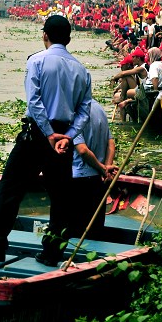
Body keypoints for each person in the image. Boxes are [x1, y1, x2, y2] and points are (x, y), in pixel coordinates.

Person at [0, 15, 92, 267]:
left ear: (44, 35)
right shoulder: (81, 70)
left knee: (10, 190)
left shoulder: (36, 61)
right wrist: (67, 137)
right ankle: (52, 253)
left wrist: (48, 134)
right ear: (69, 39)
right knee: (60, 197)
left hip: (38, 134)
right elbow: (84, 111)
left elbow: (34, 102)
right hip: (63, 139)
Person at [64, 100, 117, 260]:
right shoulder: (98, 108)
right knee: (95, 229)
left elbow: (82, 150)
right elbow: (111, 143)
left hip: (79, 179)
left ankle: (72, 264)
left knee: (75, 230)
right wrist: (106, 168)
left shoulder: (73, 114)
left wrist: (102, 168)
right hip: (97, 180)